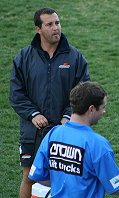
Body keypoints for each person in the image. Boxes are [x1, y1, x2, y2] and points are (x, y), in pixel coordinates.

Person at [9, 7, 90, 198]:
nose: (56, 28)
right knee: (29, 177)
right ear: (38, 29)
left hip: (65, 129)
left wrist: (68, 115)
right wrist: (33, 114)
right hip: (32, 131)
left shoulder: (75, 57)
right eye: (49, 24)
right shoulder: (23, 57)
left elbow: (83, 92)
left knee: (64, 177)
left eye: (57, 23)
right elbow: (16, 94)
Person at [28, 81, 119, 197]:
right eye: (103, 107)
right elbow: (117, 186)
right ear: (91, 109)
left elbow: (38, 176)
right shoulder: (97, 144)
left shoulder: (53, 134)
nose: (104, 112)